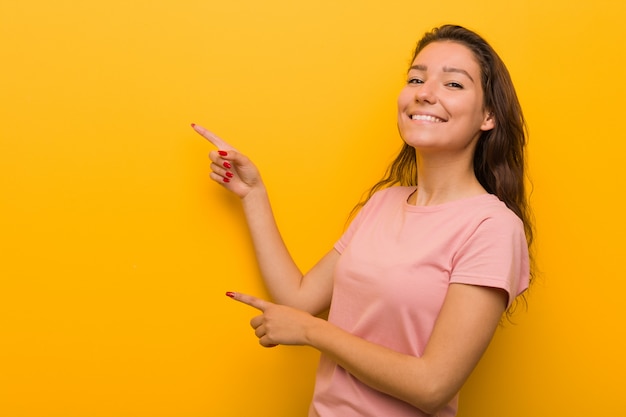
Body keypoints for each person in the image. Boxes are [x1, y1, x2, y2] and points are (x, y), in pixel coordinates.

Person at [192, 24, 533, 417]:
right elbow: (299, 299)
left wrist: (310, 331)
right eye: (416, 78)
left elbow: (433, 385)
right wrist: (254, 194)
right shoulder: (383, 204)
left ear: (487, 115)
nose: (425, 91)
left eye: (453, 84)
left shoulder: (491, 227)